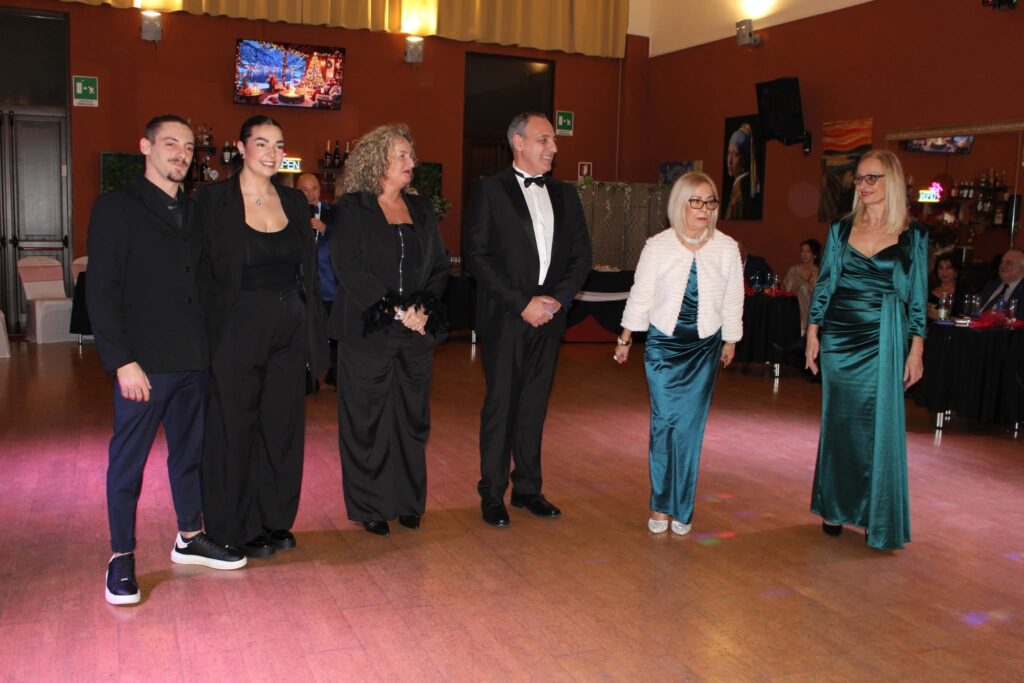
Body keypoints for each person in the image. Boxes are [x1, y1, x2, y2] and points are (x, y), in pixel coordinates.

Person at [87, 114, 246, 605]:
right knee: (128, 464)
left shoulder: (195, 212)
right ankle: (120, 556)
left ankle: (189, 536)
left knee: (189, 455)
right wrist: (121, 361)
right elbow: (102, 290)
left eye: (188, 147)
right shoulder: (116, 208)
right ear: (146, 147)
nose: (181, 154)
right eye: (170, 144)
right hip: (144, 364)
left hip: (193, 359)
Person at [196, 115, 328, 558]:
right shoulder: (213, 201)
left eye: (279, 145)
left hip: (288, 330)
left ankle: (273, 520)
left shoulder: (293, 202)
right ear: (241, 147)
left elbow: (305, 272)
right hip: (236, 330)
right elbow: (198, 273)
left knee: (281, 426)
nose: (272, 153)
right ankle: (234, 526)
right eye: (262, 143)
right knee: (235, 428)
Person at [462, 111, 593, 527]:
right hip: (506, 317)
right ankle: (492, 492)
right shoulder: (489, 191)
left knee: (535, 406)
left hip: (550, 318)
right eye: (544, 139)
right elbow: (477, 257)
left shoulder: (566, 195)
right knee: (501, 406)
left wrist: (556, 301)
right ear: (518, 142)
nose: (553, 147)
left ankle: (528, 488)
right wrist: (523, 303)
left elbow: (581, 256)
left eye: (553, 140)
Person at [328, 124, 449, 536]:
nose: (411, 162)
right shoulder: (352, 208)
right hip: (368, 332)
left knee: (412, 419)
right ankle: (370, 505)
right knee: (366, 422)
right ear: (378, 160)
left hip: (415, 334)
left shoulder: (422, 209)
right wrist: (395, 308)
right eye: (402, 155)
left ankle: (408, 501)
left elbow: (439, 267)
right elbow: (350, 268)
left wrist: (422, 307)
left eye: (410, 155)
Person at [805, 149, 927, 551]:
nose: (863, 185)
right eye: (859, 178)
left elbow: (918, 297)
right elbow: (825, 283)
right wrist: (813, 332)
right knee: (839, 423)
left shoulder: (914, 234)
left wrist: (916, 349)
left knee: (879, 426)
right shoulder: (841, 229)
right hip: (840, 336)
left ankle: (877, 514)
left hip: (885, 335)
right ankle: (834, 506)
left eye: (872, 178)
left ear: (892, 180)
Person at [614, 172, 743, 536]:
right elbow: (641, 294)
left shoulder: (727, 248)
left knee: (689, 429)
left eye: (710, 201)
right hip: (664, 347)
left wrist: (731, 339)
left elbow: (733, 298)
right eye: (696, 201)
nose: (704, 209)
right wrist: (625, 337)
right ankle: (660, 503)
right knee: (665, 423)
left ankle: (682, 506)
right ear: (679, 204)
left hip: (704, 348)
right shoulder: (658, 246)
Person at [297, 172, 340, 386]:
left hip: (330, 286)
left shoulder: (335, 212)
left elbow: (347, 241)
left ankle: (335, 374)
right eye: (304, 190)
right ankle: (307, 379)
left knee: (335, 336)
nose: (310, 194)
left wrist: (325, 229)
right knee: (304, 336)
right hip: (302, 287)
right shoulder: (290, 214)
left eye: (314, 188)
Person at [783, 238, 821, 334]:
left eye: (808, 251)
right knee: (803, 287)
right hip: (792, 306)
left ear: (815, 255)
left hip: (813, 309)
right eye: (802, 251)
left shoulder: (819, 273)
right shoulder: (793, 270)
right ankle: (803, 329)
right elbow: (787, 290)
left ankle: (805, 329)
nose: (804, 254)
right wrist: (801, 280)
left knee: (805, 288)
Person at [724, 122, 761, 220]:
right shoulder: (738, 187)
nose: (730, 161)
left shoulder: (740, 192)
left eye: (736, 154)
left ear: (745, 158)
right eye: (729, 153)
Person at [926, 254, 960, 321]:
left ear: (956, 271)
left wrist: (945, 317)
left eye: (948, 268)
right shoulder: (928, 290)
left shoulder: (962, 292)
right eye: (940, 268)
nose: (944, 272)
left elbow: (968, 318)